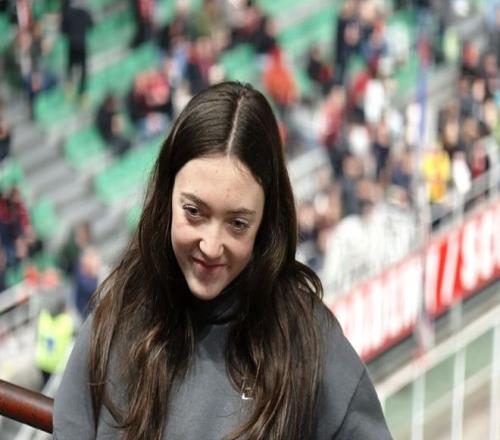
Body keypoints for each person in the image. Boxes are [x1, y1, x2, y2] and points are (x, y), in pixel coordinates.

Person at [53, 82, 392, 439]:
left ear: (266, 223)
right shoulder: (115, 321)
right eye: (194, 211)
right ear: (166, 196)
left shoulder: (308, 343)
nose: (211, 246)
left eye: (238, 224)